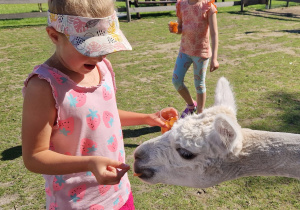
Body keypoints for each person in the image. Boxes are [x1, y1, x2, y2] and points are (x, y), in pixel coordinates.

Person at [21, 0, 177, 209]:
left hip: (119, 193)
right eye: (89, 47)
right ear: (54, 36)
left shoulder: (102, 68)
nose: (100, 54)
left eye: (105, 46)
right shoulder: (42, 87)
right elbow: (34, 157)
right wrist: (88, 163)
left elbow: (102, 114)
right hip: (77, 203)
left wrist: (147, 118)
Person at [169, 0, 219, 118]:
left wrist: (215, 58)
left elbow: (214, 33)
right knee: (176, 80)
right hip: (185, 51)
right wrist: (175, 29)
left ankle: (200, 115)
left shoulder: (208, 7)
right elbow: (181, 27)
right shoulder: (182, 5)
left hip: (201, 53)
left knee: (199, 85)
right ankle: (191, 105)